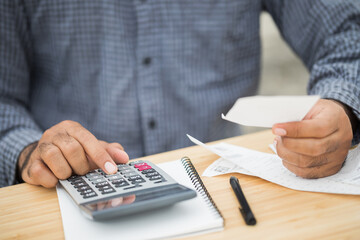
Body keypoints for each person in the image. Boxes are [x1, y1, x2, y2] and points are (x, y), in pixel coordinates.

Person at [0, 1, 359, 188]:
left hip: (218, 188)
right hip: (66, 196)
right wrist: (29, 152)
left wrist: (341, 103)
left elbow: (346, 32)